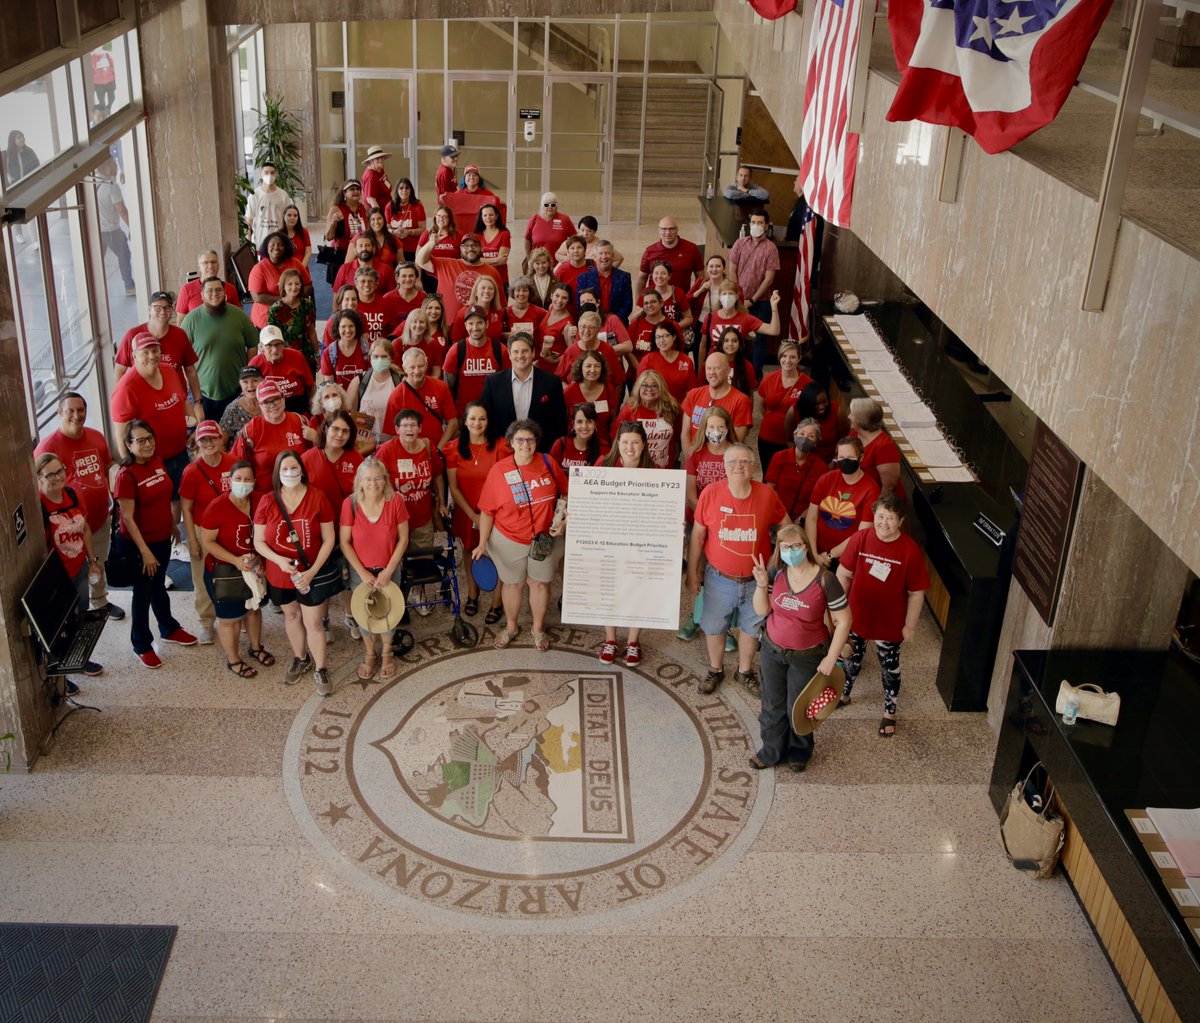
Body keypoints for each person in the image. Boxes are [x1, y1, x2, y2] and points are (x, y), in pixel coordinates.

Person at [687, 443, 790, 696]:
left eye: (745, 461)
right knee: (713, 627)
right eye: (732, 462)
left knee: (751, 627)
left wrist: (777, 565)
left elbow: (786, 528)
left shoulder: (767, 495)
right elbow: (698, 536)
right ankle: (715, 669)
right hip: (719, 578)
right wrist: (692, 573)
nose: (738, 466)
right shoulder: (710, 494)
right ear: (724, 466)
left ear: (754, 467)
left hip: (756, 581)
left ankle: (744, 671)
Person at [749, 524, 851, 772]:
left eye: (796, 546)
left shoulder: (826, 580)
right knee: (772, 704)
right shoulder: (777, 571)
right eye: (785, 547)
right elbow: (762, 610)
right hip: (773, 650)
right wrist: (762, 584)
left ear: (805, 546)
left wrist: (831, 657)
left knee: (800, 706)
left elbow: (845, 620)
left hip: (807, 655)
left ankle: (799, 750)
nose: (790, 551)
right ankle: (772, 750)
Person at [836, 492, 930, 737]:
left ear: (900, 521)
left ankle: (889, 712)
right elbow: (844, 575)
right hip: (857, 615)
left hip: (889, 621)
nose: (883, 523)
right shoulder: (861, 538)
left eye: (890, 518)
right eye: (880, 516)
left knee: (889, 667)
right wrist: (836, 611)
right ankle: (844, 694)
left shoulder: (910, 550)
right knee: (850, 660)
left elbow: (916, 593)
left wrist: (909, 626)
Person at [474, 419, 568, 652]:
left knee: (539, 584)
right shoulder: (499, 470)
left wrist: (562, 518)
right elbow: (487, 510)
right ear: (511, 443)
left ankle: (537, 629)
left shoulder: (548, 462)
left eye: (530, 439)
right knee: (513, 584)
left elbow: (565, 492)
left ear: (536, 442)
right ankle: (511, 627)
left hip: (545, 539)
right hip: (508, 538)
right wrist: (482, 542)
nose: (525, 444)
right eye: (520, 439)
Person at [253, 450, 339, 695]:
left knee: (313, 622)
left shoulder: (317, 497)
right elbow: (259, 541)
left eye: (293, 468)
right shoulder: (268, 501)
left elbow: (328, 539)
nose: (289, 473)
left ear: (302, 469)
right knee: (291, 616)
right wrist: (279, 560)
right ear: (277, 474)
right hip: (280, 575)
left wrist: (312, 572)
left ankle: (321, 668)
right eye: (284, 469)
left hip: (311, 573)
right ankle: (300, 658)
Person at [113, 420, 197, 668]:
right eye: (140, 440)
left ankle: (168, 628)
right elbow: (127, 517)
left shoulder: (158, 461)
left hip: (161, 538)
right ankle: (141, 644)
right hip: (139, 545)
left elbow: (163, 497)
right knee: (142, 593)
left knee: (158, 586)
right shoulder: (126, 475)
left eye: (149, 438)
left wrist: (172, 525)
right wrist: (145, 551)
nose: (147, 444)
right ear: (129, 445)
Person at [35, 392, 125, 620]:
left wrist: (112, 498)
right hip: (65, 528)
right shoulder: (48, 446)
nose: (76, 415)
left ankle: (100, 600)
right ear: (59, 413)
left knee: (97, 564)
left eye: (81, 410)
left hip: (97, 517)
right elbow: (38, 483)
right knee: (72, 576)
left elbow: (106, 467)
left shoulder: (96, 437)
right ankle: (72, 617)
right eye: (70, 411)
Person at [198, 459, 273, 678]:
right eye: (238, 479)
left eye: (248, 479)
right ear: (229, 481)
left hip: (254, 568)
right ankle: (234, 660)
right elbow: (208, 542)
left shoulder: (261, 501)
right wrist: (236, 560)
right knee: (229, 619)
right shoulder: (217, 507)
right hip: (225, 572)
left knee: (254, 609)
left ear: (254, 481)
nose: (243, 483)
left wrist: (260, 558)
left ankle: (255, 647)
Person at [35, 453, 103, 684]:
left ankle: (78, 659)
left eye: (60, 471)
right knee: (58, 625)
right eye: (50, 475)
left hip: (79, 570)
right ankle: (61, 675)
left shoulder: (73, 494)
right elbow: (39, 548)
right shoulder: (39, 507)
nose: (57, 478)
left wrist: (93, 561)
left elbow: (84, 529)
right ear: (40, 478)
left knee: (79, 616)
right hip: (57, 578)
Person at [340, 458, 410, 681]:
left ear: (385, 479)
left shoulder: (395, 500)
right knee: (364, 614)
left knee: (390, 611)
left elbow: (403, 538)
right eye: (368, 479)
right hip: (361, 572)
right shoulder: (350, 504)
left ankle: (387, 652)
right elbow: (345, 542)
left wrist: (389, 570)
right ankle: (370, 653)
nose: (373, 484)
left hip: (389, 568)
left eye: (378, 478)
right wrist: (361, 572)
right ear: (360, 481)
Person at [110, 333, 193, 520]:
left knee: (178, 497)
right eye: (145, 352)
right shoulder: (126, 388)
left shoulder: (169, 371)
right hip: (150, 460)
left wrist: (193, 426)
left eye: (155, 350)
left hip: (179, 451)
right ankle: (161, 537)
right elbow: (121, 434)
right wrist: (132, 469)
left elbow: (182, 400)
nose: (151, 356)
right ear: (134, 355)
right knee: (157, 503)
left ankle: (176, 539)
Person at [443, 402, 510, 623]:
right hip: (467, 511)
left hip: (497, 513)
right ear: (465, 420)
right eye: (473, 418)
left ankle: (497, 601)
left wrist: (487, 516)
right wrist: (474, 516)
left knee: (498, 554)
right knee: (470, 551)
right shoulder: (454, 448)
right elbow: (454, 487)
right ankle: (472, 594)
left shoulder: (500, 447)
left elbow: (504, 485)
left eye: (482, 419)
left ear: (488, 421)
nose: (477, 423)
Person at [302, 410, 363, 641]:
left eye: (345, 431)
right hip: (320, 531)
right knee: (323, 575)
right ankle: (324, 621)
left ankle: (351, 615)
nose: (339, 434)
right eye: (335, 428)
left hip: (349, 528)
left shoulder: (355, 458)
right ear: (325, 429)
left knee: (350, 575)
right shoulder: (309, 457)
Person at [597, 422, 654, 665]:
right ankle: (610, 639)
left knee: (637, 591)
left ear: (644, 445)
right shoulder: (603, 466)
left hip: (640, 545)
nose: (630, 448)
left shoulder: (655, 472)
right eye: (625, 442)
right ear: (617, 444)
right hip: (609, 541)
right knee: (608, 590)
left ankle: (632, 641)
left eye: (635, 442)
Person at [178, 420, 236, 645]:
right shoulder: (192, 472)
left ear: (221, 438)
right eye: (204, 439)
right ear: (197, 443)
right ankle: (206, 622)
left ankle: (235, 613)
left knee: (232, 572)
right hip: (203, 529)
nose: (209, 443)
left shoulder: (232, 462)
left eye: (213, 438)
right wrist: (192, 539)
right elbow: (186, 508)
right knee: (202, 576)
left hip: (229, 527)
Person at [181, 276, 259, 423]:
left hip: (237, 391)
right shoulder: (190, 321)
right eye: (209, 291)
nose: (214, 294)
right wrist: (196, 400)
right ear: (202, 295)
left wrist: (248, 376)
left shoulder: (239, 316)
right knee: (210, 439)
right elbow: (182, 356)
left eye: (218, 290)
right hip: (205, 395)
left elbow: (253, 344)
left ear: (225, 293)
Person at [114, 293, 204, 416]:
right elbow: (120, 370)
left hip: (176, 403)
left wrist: (198, 402)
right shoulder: (132, 335)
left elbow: (191, 371)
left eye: (167, 307)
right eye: (158, 308)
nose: (163, 311)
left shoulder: (180, 335)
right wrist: (123, 401)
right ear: (149, 309)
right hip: (145, 407)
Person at [377, 408, 446, 563]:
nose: (409, 429)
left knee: (422, 562)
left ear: (420, 428)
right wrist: (391, 493)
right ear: (397, 429)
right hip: (394, 518)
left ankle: (419, 588)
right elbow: (376, 480)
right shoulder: (386, 450)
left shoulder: (428, 447)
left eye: (413, 425)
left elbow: (438, 475)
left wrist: (442, 503)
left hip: (423, 518)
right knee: (393, 562)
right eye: (405, 425)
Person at [480, 332, 568, 447]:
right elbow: (486, 419)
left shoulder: (552, 382)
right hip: (503, 451)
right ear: (509, 354)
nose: (520, 356)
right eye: (516, 352)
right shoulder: (493, 382)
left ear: (533, 353)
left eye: (525, 351)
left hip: (541, 451)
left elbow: (559, 423)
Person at [805, 437, 880, 569]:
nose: (845, 461)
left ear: (861, 457)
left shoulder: (871, 489)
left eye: (850, 457)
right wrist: (813, 552)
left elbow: (861, 533)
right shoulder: (826, 479)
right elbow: (811, 518)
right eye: (842, 457)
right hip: (815, 549)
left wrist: (830, 555)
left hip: (845, 555)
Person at [231, 380, 309, 494]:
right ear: (259, 405)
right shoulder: (251, 430)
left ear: (283, 398)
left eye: (276, 399)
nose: (272, 405)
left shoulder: (299, 421)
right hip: (266, 495)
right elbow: (237, 463)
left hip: (299, 491)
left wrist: (316, 438)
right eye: (266, 402)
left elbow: (313, 454)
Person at [729, 210, 781, 374]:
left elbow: (769, 279)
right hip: (738, 300)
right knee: (737, 337)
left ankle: (756, 374)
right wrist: (738, 295)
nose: (756, 226)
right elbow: (732, 270)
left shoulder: (771, 248)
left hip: (761, 302)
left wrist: (751, 300)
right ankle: (737, 371)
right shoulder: (740, 244)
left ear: (766, 226)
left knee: (759, 340)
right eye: (753, 222)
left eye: (760, 223)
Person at [416, 231, 501, 323]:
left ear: (482, 249)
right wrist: (432, 243)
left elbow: (499, 305)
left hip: (478, 328)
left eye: (474, 245)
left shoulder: (492, 272)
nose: (470, 249)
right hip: (447, 325)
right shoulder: (447, 264)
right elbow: (421, 261)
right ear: (460, 249)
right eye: (466, 246)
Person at [383, 348, 458, 450]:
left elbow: (453, 422)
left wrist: (439, 449)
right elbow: (393, 433)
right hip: (410, 453)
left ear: (427, 365)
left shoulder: (441, 387)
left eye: (421, 366)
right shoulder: (396, 396)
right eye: (412, 367)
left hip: (437, 450)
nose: (417, 371)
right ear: (404, 368)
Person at [442, 305, 510, 417]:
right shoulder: (456, 350)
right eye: (471, 323)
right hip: (463, 416)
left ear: (486, 324)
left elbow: (507, 386)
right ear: (465, 325)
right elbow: (447, 388)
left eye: (479, 323)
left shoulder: (500, 350)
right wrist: (449, 419)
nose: (475, 327)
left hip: (493, 415)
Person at [680, 352, 753, 454]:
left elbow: (736, 442)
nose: (712, 372)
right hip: (695, 460)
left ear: (728, 371)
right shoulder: (693, 394)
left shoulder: (741, 401)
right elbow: (685, 434)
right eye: (709, 368)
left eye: (717, 368)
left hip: (722, 463)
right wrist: (690, 460)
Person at [755, 340, 813, 470]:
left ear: (799, 358)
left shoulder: (808, 383)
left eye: (792, 357)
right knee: (767, 474)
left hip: (793, 440)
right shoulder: (768, 379)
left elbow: (810, 414)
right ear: (779, 357)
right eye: (784, 356)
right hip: (767, 436)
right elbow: (761, 405)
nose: (788, 360)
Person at [698, 282, 781, 365]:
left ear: (737, 296)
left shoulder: (745, 318)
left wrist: (774, 307)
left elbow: (774, 330)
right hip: (714, 366)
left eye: (731, 294)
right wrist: (700, 370)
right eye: (724, 294)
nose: (727, 297)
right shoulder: (710, 317)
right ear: (719, 297)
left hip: (737, 367)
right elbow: (703, 345)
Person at [614, 370, 682, 469]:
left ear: (661, 388)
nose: (649, 389)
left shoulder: (671, 409)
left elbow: (678, 436)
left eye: (654, 386)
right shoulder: (629, 410)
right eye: (645, 385)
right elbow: (616, 439)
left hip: (664, 469)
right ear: (638, 388)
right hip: (636, 468)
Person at [765, 418, 828, 522]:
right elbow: (770, 489)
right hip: (777, 515)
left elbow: (818, 500)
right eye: (802, 434)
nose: (805, 438)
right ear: (795, 436)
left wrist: (802, 519)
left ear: (816, 443)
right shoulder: (779, 457)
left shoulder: (820, 467)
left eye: (811, 436)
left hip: (802, 520)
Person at [346, 338, 401, 452]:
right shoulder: (359, 381)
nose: (379, 360)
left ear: (391, 358)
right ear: (370, 358)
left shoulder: (400, 381)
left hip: (392, 445)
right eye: (376, 356)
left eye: (384, 356)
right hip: (365, 446)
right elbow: (350, 414)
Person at [850, 396, 907, 500]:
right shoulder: (854, 435)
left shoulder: (884, 446)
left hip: (880, 500)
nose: (849, 416)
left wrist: (876, 510)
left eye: (852, 414)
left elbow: (889, 486)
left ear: (861, 419)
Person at [250, 325, 315, 415]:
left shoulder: (296, 357)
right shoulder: (255, 364)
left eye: (278, 344)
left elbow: (311, 386)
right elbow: (251, 395)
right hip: (270, 412)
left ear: (283, 344)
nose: (275, 350)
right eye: (269, 345)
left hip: (298, 408)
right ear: (261, 347)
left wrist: (312, 410)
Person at [95, 158, 135, 296]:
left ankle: (94, 288)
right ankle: (129, 285)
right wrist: (133, 227)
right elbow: (121, 210)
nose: (117, 168)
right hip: (111, 230)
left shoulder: (92, 183)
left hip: (96, 230)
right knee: (124, 255)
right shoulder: (111, 186)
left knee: (96, 260)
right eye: (114, 165)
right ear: (106, 166)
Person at [266, 267, 319, 369]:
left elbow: (312, 330)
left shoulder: (308, 305)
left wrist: (317, 353)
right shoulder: (275, 310)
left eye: (297, 283)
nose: (294, 287)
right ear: (283, 287)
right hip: (284, 357)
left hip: (306, 355)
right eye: (290, 284)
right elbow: (272, 338)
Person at [556, 309, 625, 386]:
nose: (586, 331)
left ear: (598, 330)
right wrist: (568, 393)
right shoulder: (570, 351)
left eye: (591, 327)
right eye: (583, 327)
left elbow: (618, 381)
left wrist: (613, 397)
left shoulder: (608, 350)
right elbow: (559, 379)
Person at [636, 217, 703, 295]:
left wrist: (694, 298)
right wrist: (638, 304)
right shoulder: (650, 251)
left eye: (671, 229)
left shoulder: (691, 249)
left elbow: (700, 276)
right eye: (664, 229)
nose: (668, 232)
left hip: (682, 300)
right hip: (656, 301)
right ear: (659, 230)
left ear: (677, 229)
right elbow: (641, 279)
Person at [563, 350, 618, 441]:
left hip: (602, 443)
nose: (593, 370)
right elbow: (562, 420)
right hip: (575, 442)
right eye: (588, 366)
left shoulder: (608, 389)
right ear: (581, 368)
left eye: (597, 366)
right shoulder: (570, 390)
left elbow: (613, 420)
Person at [638, 320, 696, 405]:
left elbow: (690, 392)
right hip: (654, 409)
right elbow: (640, 390)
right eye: (658, 337)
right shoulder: (647, 360)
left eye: (665, 336)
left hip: (679, 409)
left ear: (674, 337)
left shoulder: (686, 361)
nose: (662, 340)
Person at [575, 240, 633, 324]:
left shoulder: (624, 277)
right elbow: (579, 305)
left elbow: (627, 305)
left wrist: (612, 322)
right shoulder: (584, 278)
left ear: (613, 256)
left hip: (618, 324)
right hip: (591, 325)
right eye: (600, 253)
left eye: (607, 253)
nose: (604, 256)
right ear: (594, 257)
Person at [790, 381, 847, 464]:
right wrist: (799, 459)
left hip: (829, 462)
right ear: (807, 403)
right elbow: (789, 440)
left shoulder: (837, 411)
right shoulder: (794, 412)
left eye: (825, 402)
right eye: (817, 404)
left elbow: (844, 439)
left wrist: (835, 460)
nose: (822, 407)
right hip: (802, 461)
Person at [175, 250, 240, 316]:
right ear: (199, 267)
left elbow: (238, 316)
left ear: (218, 265)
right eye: (205, 263)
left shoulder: (230, 288)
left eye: (214, 262)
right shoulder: (186, 290)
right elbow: (180, 324)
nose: (210, 266)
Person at [550, 402, 608, 476]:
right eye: (579, 422)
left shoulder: (604, 448)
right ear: (573, 424)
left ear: (595, 424)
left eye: (589, 421)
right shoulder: (560, 444)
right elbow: (551, 474)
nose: (584, 426)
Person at [324, 179, 368, 272]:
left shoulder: (365, 209)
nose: (356, 191)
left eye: (358, 189)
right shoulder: (336, 209)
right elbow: (328, 237)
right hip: (341, 256)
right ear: (344, 193)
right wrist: (333, 223)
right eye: (352, 189)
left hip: (361, 255)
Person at [318, 310, 369, 392]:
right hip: (339, 400)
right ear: (337, 328)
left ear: (357, 327)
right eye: (343, 326)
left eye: (351, 326)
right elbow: (330, 387)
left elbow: (372, 380)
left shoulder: (367, 349)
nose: (348, 330)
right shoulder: (329, 353)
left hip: (364, 398)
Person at [687, 254, 741, 331]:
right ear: (707, 268)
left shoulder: (731, 286)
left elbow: (739, 309)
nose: (714, 269)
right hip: (700, 324)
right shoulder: (700, 282)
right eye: (711, 266)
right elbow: (685, 303)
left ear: (724, 268)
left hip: (722, 325)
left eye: (718, 266)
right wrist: (700, 290)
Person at [244, 161, 292, 248]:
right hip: (260, 241)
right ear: (261, 175)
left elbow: (288, 218)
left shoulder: (283, 195)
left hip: (279, 240)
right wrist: (248, 243)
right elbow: (249, 222)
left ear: (276, 175)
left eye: (272, 173)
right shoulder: (254, 195)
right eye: (266, 173)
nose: (269, 175)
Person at [449, 275, 507, 343]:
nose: (487, 291)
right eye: (483, 288)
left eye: (490, 288)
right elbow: (456, 342)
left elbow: (498, 336)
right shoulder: (463, 313)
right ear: (476, 292)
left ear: (494, 293)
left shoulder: (498, 312)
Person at [524, 193, 575, 266]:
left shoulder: (565, 219)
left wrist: (568, 257)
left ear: (557, 206)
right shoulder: (534, 219)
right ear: (542, 206)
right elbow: (527, 240)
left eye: (553, 205)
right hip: (538, 266)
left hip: (558, 265)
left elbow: (575, 239)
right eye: (546, 205)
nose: (550, 207)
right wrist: (529, 259)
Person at [534, 283, 576, 372]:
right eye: (557, 296)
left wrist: (556, 360)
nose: (559, 300)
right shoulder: (551, 307)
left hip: (554, 366)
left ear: (568, 301)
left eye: (564, 298)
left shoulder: (568, 325)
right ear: (551, 295)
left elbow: (572, 351)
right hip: (542, 359)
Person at [385, 177, 426, 261]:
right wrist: (393, 232)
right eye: (401, 188)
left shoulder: (417, 206)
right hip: (394, 248)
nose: (404, 190)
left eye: (407, 188)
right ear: (397, 190)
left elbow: (423, 229)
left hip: (412, 250)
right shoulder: (390, 206)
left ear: (411, 190)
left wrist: (409, 232)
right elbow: (386, 228)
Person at [219, 365, 263, 442]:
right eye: (245, 382)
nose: (250, 385)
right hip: (240, 452)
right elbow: (222, 441)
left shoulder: (271, 402)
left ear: (263, 381)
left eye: (255, 381)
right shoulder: (233, 409)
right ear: (240, 384)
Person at [474, 202, 511, 293]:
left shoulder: (504, 234)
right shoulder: (476, 236)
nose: (488, 218)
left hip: (500, 279)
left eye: (491, 215)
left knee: (501, 307)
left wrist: (481, 261)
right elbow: (474, 260)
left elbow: (502, 261)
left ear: (496, 216)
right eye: (485, 215)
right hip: (481, 281)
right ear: (481, 217)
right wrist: (496, 259)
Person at [357, 207, 400, 276]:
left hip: (388, 278)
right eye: (373, 219)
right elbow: (348, 263)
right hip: (366, 278)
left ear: (384, 220)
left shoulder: (393, 239)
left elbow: (400, 263)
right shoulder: (360, 237)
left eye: (379, 218)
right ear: (369, 221)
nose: (376, 222)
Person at [717, 325, 758, 395]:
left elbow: (750, 393)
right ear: (721, 344)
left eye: (734, 341)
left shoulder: (747, 366)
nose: (730, 344)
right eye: (726, 340)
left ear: (740, 344)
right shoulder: (710, 363)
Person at [506, 276, 548, 341]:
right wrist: (507, 335)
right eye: (518, 290)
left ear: (530, 293)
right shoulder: (505, 312)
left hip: (535, 350)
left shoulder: (540, 312)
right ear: (513, 292)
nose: (521, 293)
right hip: (513, 350)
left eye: (525, 290)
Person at [360, 145, 392, 210]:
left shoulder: (379, 170)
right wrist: (379, 215)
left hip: (387, 209)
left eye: (382, 157)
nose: (380, 160)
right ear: (371, 161)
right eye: (377, 158)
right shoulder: (370, 176)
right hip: (378, 212)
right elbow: (371, 200)